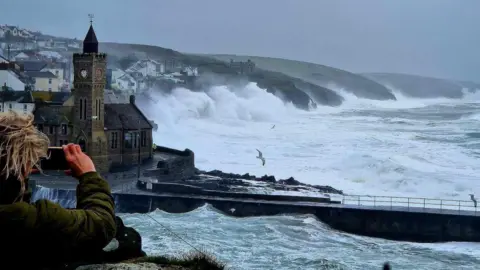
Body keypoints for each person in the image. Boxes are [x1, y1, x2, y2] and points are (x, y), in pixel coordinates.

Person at [0, 112, 116, 268]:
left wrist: (18, 179)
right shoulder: (33, 217)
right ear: (21, 164)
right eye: (31, 159)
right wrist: (89, 175)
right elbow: (102, 224)